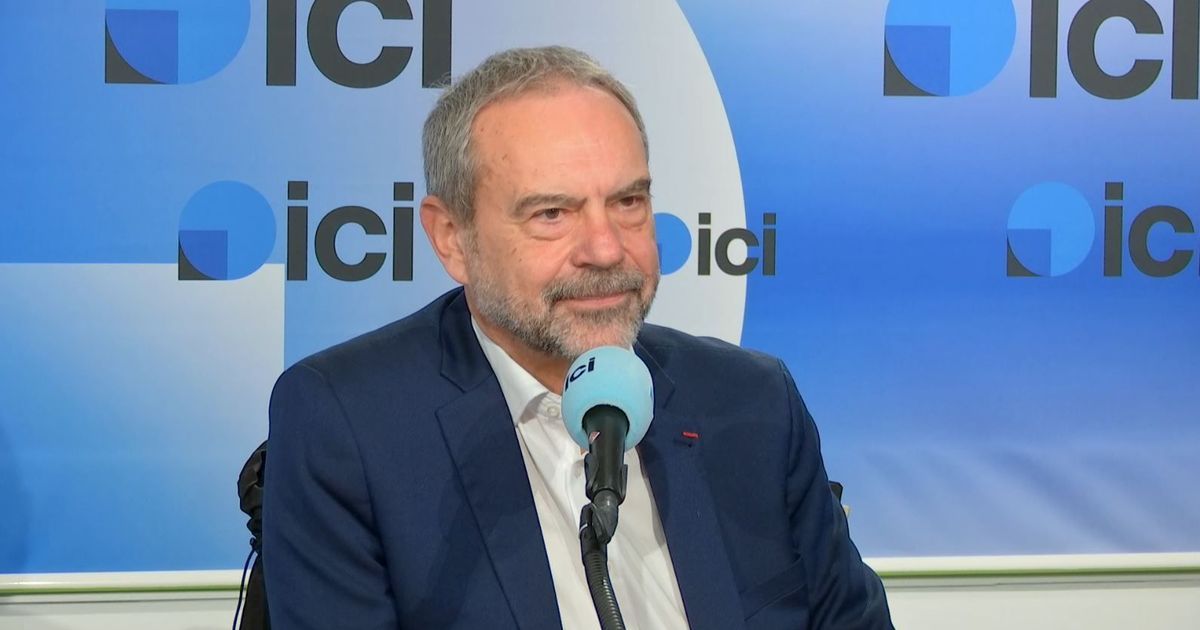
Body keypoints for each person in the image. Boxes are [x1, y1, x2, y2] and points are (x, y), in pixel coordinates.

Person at [264, 46, 892, 629]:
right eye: (552, 214)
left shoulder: (753, 402)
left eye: (628, 202)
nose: (605, 249)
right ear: (452, 237)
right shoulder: (351, 426)